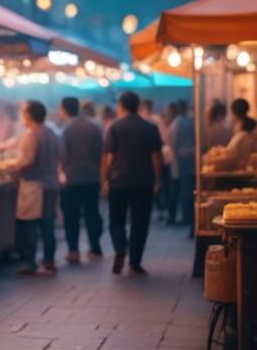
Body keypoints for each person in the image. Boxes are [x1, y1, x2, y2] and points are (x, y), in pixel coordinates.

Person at [103, 91, 163, 275]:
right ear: (137, 106)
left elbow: (109, 157)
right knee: (140, 222)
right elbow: (156, 157)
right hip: (143, 182)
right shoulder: (150, 127)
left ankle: (120, 248)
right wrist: (157, 180)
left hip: (118, 181)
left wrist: (105, 179)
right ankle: (135, 262)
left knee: (116, 220)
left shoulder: (114, 127)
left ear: (120, 106)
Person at [14, 100, 60, 274]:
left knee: (29, 224)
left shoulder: (31, 134)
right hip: (51, 184)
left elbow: (26, 161)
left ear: (29, 116)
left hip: (34, 186)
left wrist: (13, 166)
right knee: (47, 224)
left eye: (24, 114)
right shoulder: (51, 133)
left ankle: (29, 262)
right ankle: (49, 259)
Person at [58, 97, 103, 263]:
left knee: (72, 216)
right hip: (92, 177)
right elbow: (101, 152)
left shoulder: (66, 129)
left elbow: (63, 155)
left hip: (73, 179)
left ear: (64, 109)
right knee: (92, 213)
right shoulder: (93, 127)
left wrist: (65, 169)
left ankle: (74, 250)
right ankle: (95, 247)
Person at [171, 100, 196, 232]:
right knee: (188, 193)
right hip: (190, 160)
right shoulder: (190, 121)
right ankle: (191, 222)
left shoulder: (178, 123)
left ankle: (190, 220)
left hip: (183, 160)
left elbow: (174, 144)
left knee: (186, 193)